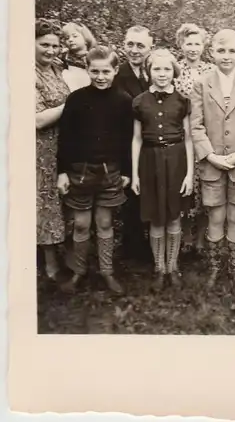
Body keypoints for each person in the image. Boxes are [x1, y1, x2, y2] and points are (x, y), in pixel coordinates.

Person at [57, 46, 134, 295]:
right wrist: (62, 172)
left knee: (104, 222)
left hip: (110, 170)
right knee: (80, 224)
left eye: (106, 71)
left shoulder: (124, 101)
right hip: (79, 171)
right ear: (87, 70)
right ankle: (79, 272)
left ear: (115, 71)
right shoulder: (76, 99)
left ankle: (107, 272)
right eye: (94, 71)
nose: (100, 77)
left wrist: (126, 171)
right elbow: (65, 138)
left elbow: (127, 139)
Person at [190, 29, 235, 290]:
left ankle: (234, 269)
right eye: (221, 51)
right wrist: (210, 155)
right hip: (212, 164)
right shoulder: (202, 83)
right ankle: (214, 269)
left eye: (232, 51)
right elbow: (196, 125)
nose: (227, 56)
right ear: (211, 53)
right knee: (216, 216)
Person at [131, 49, 194, 291]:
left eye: (167, 69)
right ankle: (159, 267)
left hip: (176, 160)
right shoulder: (139, 101)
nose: (162, 73)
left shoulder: (182, 101)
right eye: (157, 69)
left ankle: (173, 265)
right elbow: (136, 139)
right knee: (156, 217)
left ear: (174, 72)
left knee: (174, 215)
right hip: (149, 161)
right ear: (149, 72)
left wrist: (189, 174)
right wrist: (135, 174)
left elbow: (188, 139)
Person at [35, 18, 71, 281]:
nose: (50, 50)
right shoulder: (27, 72)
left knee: (60, 200)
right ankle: (49, 266)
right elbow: (36, 119)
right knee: (45, 203)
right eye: (44, 44)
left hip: (62, 143)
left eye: (55, 45)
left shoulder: (56, 68)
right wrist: (72, 104)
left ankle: (64, 258)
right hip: (40, 147)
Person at [114, 26, 154, 260]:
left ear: (150, 48)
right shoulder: (117, 75)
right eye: (130, 44)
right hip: (128, 144)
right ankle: (133, 250)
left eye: (140, 45)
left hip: (155, 143)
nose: (134, 50)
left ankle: (154, 245)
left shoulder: (157, 70)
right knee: (132, 197)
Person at [174, 23, 214, 255]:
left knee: (205, 185)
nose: (193, 48)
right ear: (181, 45)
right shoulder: (175, 69)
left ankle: (201, 239)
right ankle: (186, 236)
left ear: (203, 45)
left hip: (205, 132)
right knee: (186, 186)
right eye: (188, 43)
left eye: (197, 43)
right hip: (180, 133)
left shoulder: (210, 70)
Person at [61, 22, 97, 92]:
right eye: (67, 38)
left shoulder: (93, 56)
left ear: (86, 40)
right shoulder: (64, 55)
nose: (70, 40)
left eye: (75, 36)